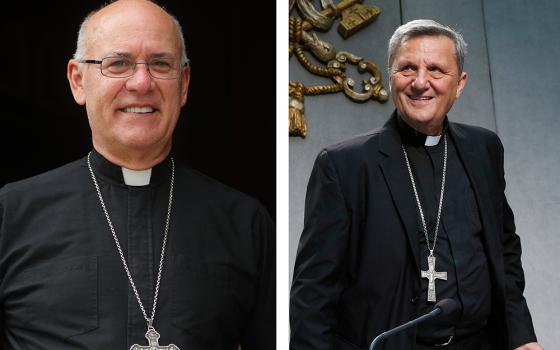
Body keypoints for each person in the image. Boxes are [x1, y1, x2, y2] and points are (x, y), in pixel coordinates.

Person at [0, 0, 275, 349]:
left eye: (161, 64)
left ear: (184, 83)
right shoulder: (11, 215)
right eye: (118, 64)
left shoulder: (245, 224)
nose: (142, 83)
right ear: (78, 81)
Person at [290, 19, 542, 350]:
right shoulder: (343, 166)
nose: (420, 82)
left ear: (460, 83)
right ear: (392, 76)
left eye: (436, 70)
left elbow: (504, 250)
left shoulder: (484, 149)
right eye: (407, 68)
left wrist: (522, 337)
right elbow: (313, 294)